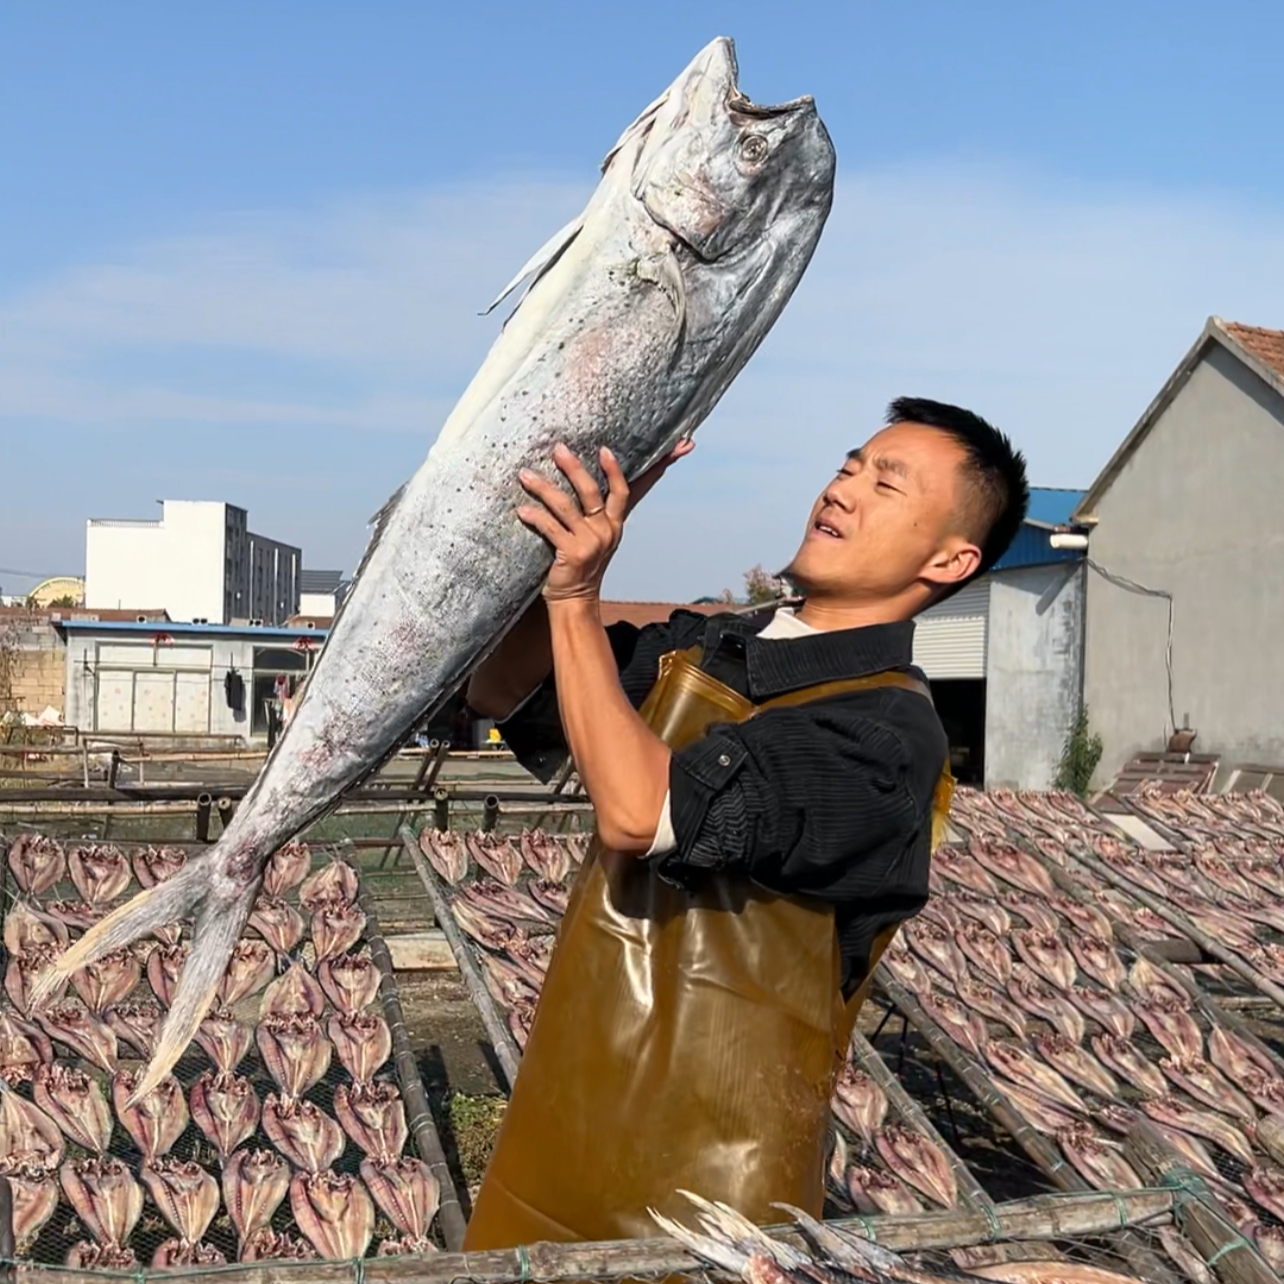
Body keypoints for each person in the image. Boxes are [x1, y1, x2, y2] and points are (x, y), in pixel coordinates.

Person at [461, 398, 1029, 1249]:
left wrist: (578, 597)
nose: (842, 491)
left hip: (713, 1199)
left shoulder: (884, 736)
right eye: (847, 465)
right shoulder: (714, 648)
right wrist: (579, 538)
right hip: (557, 1136)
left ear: (951, 557)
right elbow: (503, 688)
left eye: (886, 482)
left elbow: (641, 812)